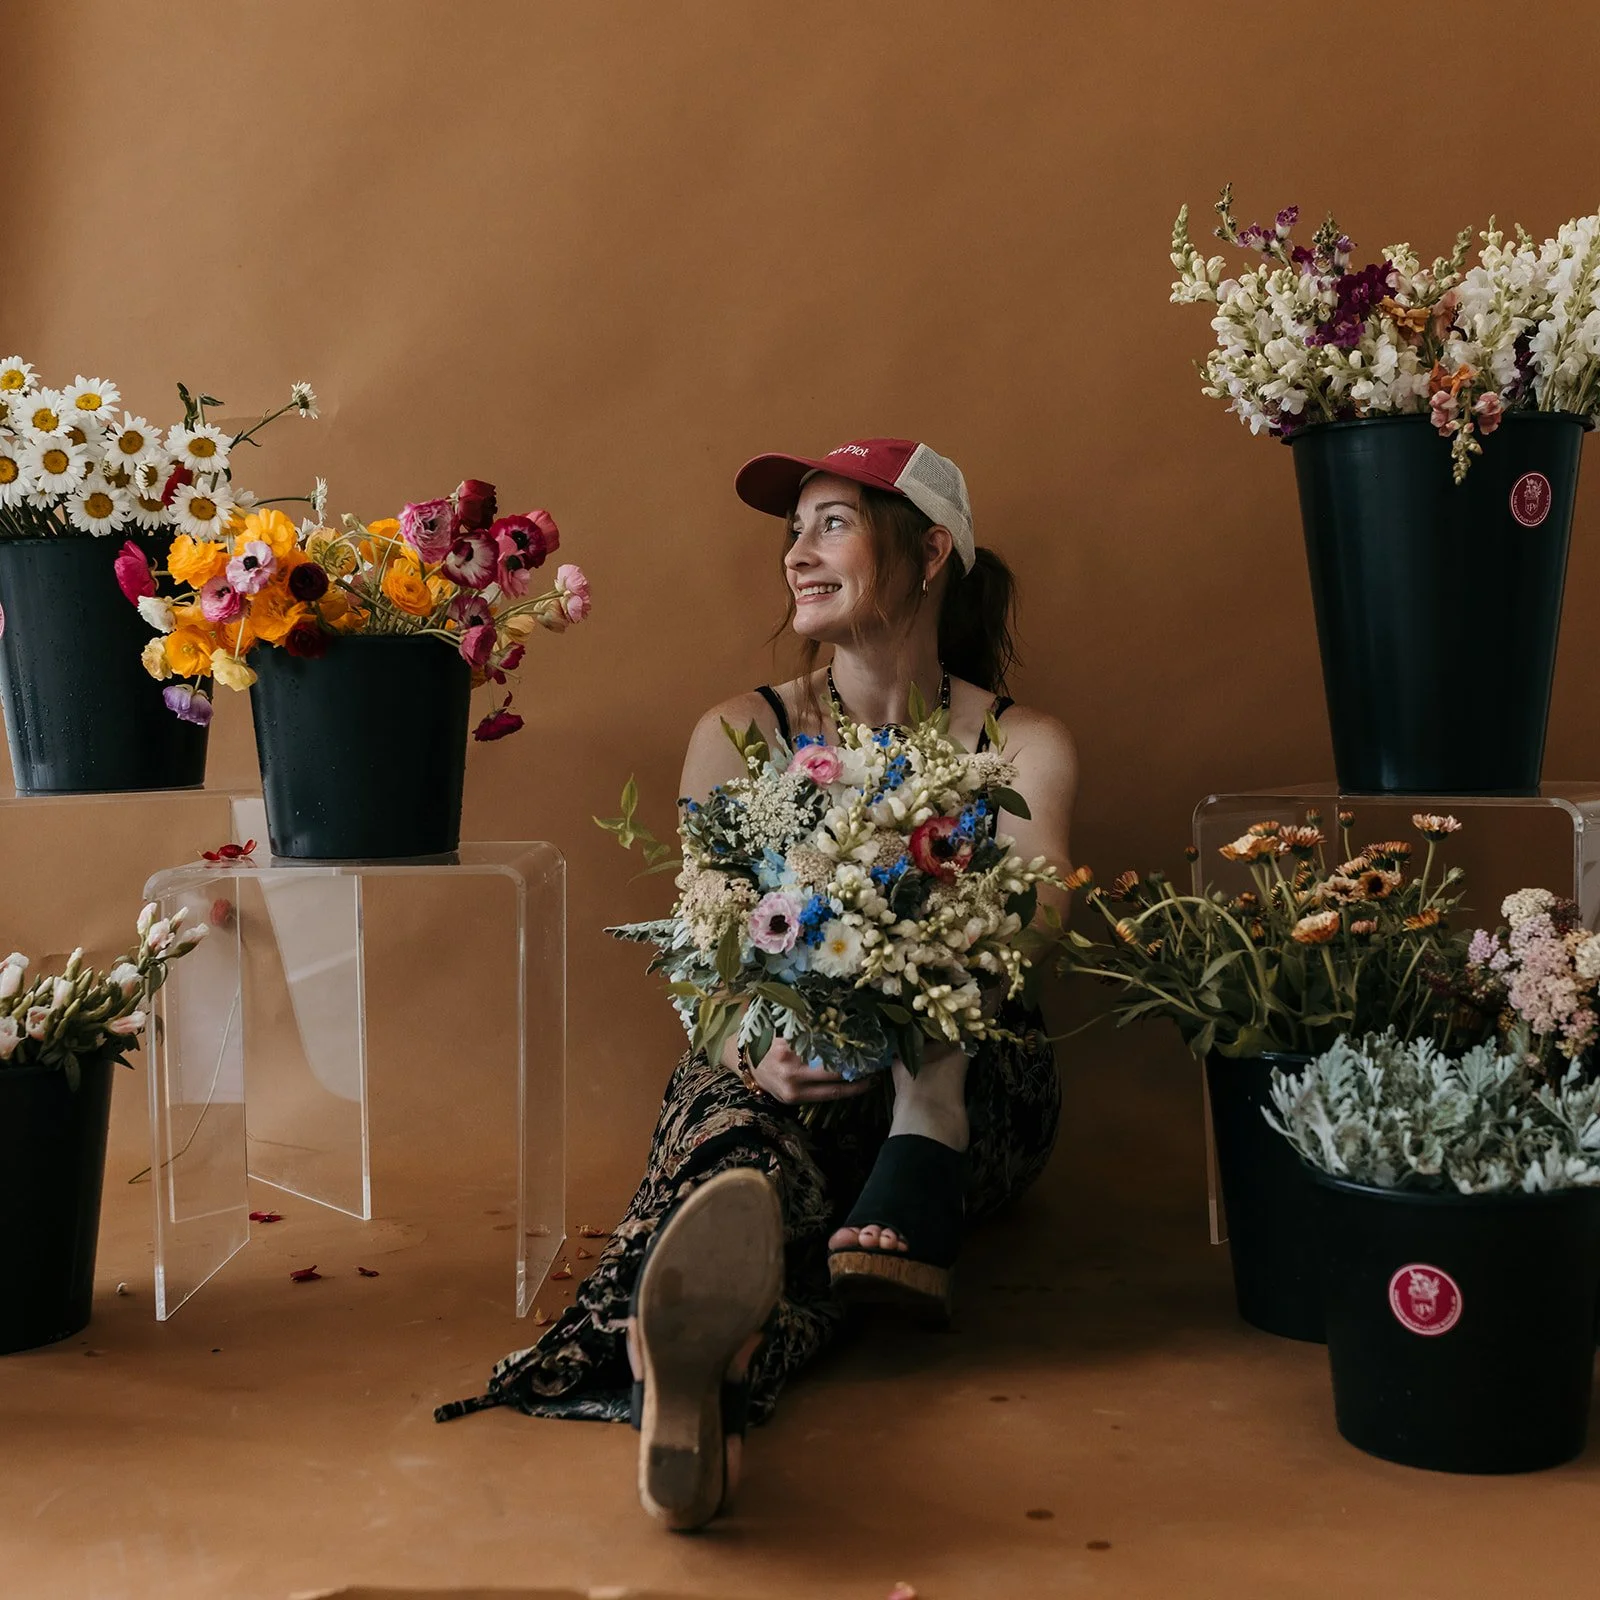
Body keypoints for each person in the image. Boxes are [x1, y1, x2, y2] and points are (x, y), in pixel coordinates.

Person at [437, 437, 1077, 1531]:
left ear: (931, 553)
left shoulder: (1022, 740)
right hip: (788, 1060)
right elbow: (708, 944)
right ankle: (707, 1378)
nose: (797, 554)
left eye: (833, 524)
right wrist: (750, 1046)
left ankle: (696, 1329)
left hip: (961, 1082)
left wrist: (908, 1012)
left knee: (799, 1159)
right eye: (794, 530)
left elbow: (1039, 916)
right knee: (741, 1134)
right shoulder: (739, 733)